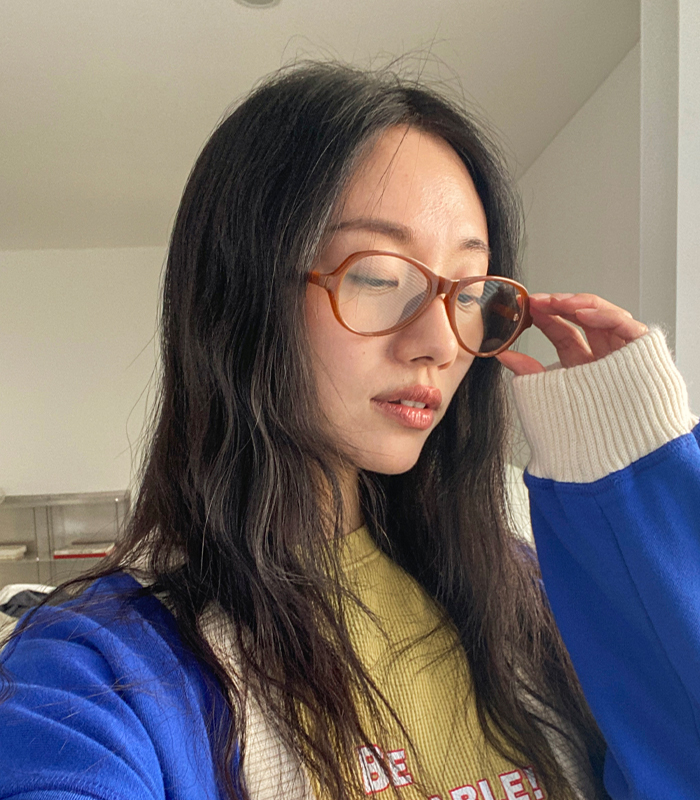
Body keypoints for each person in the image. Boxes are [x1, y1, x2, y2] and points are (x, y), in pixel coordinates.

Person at [0, 62, 698, 800]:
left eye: (469, 291)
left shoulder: (527, 596)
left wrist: (634, 484)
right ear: (240, 295)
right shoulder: (99, 672)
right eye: (377, 276)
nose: (440, 342)